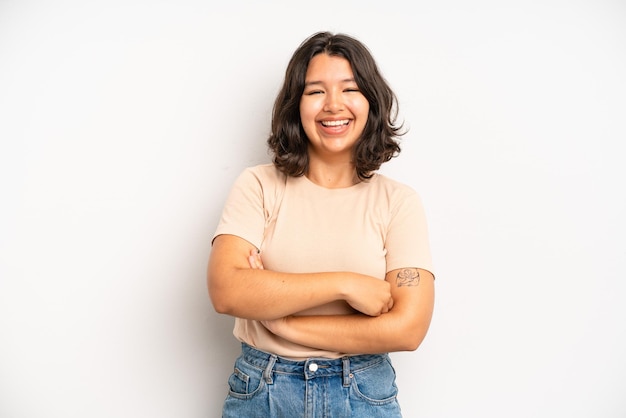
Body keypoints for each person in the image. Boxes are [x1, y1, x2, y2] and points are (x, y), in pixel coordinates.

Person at [207, 31, 435, 418]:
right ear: (296, 105)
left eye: (350, 89)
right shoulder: (258, 186)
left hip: (362, 392)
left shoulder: (398, 202)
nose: (333, 106)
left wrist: (285, 325)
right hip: (264, 389)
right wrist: (346, 284)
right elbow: (227, 291)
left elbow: (407, 329)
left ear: (371, 103)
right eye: (315, 92)